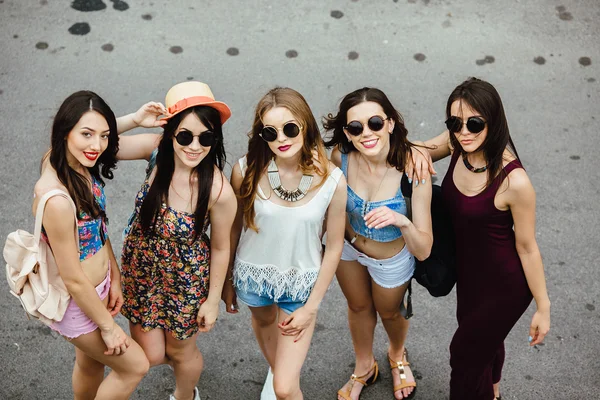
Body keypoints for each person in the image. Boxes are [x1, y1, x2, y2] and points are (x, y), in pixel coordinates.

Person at [412, 77, 551, 400]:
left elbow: (527, 247)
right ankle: (493, 392)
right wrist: (416, 153)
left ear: (493, 121)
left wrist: (543, 307)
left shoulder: (515, 182)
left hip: (505, 286)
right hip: (470, 277)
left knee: (463, 356)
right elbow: (418, 149)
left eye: (474, 123)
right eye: (454, 122)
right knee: (485, 344)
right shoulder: (456, 145)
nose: (464, 131)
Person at [220, 87, 347, 400]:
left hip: (301, 287)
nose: (281, 138)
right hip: (253, 276)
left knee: (286, 388)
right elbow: (233, 230)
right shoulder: (244, 170)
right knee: (267, 332)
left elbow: (334, 247)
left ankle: (281, 378)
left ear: (305, 125)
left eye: (290, 128)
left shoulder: (332, 180)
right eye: (270, 131)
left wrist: (311, 308)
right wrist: (225, 281)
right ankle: (277, 368)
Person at [116, 81, 237, 400]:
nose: (195, 146)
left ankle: (185, 395)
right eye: (185, 135)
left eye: (206, 137)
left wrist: (212, 302)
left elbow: (222, 247)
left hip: (184, 282)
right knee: (152, 355)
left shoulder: (219, 191)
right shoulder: (156, 151)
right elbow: (97, 143)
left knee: (182, 353)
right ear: (170, 132)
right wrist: (133, 119)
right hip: (142, 272)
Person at [34, 91, 149, 400]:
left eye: (104, 136)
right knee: (135, 365)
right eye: (86, 135)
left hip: (97, 289)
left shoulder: (74, 161)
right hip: (79, 301)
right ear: (65, 132)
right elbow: (72, 277)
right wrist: (108, 327)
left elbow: (97, 228)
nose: (96, 146)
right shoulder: (56, 199)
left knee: (90, 366)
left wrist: (113, 274)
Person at [323, 87, 433, 400]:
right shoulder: (340, 158)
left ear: (390, 123)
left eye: (374, 123)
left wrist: (402, 221)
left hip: (391, 258)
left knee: (390, 314)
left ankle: (397, 355)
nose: (366, 133)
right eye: (355, 127)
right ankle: (364, 367)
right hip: (348, 248)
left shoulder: (413, 170)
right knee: (357, 307)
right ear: (347, 132)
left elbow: (423, 248)